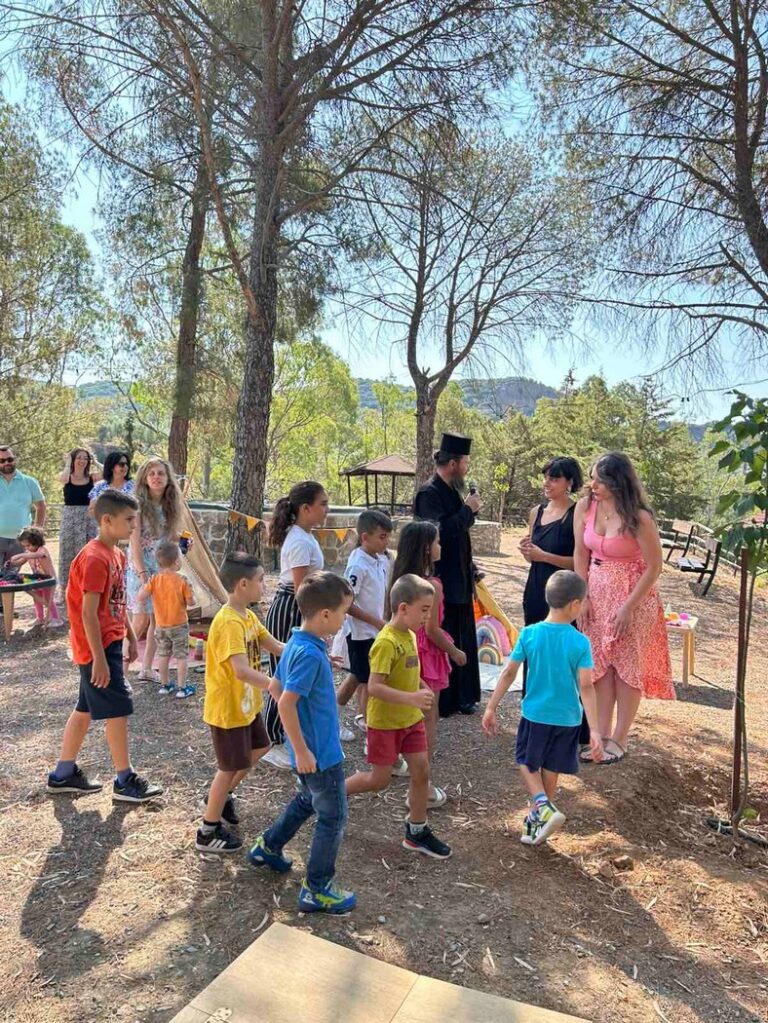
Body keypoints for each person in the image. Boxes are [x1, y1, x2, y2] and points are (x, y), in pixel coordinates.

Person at [248, 572, 358, 915]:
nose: (344, 620)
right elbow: (285, 703)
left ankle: (268, 846)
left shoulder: (299, 643)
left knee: (307, 800)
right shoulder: (309, 654)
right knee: (333, 816)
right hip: (319, 755)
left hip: (311, 753)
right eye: (343, 613)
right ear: (325, 614)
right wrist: (302, 749)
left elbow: (278, 686)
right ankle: (317, 887)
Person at [46, 489, 163, 803]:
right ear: (107, 520)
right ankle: (125, 780)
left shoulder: (117, 554)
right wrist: (98, 658)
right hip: (95, 647)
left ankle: (62, 774)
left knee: (84, 708)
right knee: (118, 710)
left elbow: (115, 603)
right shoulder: (95, 557)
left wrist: (129, 635)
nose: (134, 526)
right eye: (129, 520)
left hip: (109, 642)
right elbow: (87, 613)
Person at [482, 571, 603, 846]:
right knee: (550, 767)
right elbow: (586, 687)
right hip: (568, 719)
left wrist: (491, 707)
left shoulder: (530, 634)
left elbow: (508, 673)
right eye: (585, 601)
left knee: (525, 761)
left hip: (536, 715)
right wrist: (595, 730)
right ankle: (539, 820)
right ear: (574, 604)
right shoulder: (580, 642)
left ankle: (541, 807)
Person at [574, 452, 675, 765]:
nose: (593, 485)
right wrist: (583, 596)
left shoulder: (639, 517)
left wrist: (628, 607)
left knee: (626, 667)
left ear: (618, 483)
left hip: (633, 598)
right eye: (592, 478)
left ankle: (619, 739)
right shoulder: (585, 506)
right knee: (599, 666)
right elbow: (580, 554)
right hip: (596, 594)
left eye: (600, 481)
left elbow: (654, 567)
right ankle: (601, 737)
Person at [346, 574, 452, 860]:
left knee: (422, 770)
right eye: (424, 610)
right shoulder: (386, 642)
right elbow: (375, 687)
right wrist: (412, 698)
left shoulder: (410, 635)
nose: (428, 616)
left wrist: (423, 687)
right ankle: (332, 795)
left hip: (410, 721)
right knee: (378, 780)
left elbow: (410, 673)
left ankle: (417, 831)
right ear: (403, 608)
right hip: (385, 724)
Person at [197, 553, 285, 853]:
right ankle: (207, 832)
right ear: (243, 584)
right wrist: (273, 685)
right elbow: (241, 671)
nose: (264, 585)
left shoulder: (247, 616)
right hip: (228, 711)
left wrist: (309, 650)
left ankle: (220, 798)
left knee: (261, 747)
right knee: (228, 768)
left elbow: (274, 645)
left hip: (246, 707)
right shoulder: (229, 623)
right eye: (261, 580)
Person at [389, 521, 467, 808]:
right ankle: (421, 786)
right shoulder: (431, 586)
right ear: (426, 548)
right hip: (426, 654)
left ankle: (401, 765)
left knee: (409, 716)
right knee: (427, 720)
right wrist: (455, 651)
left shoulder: (400, 579)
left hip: (404, 648)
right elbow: (432, 630)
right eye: (437, 542)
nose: (440, 547)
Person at [413, 432, 481, 717]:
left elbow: (460, 537)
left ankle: (463, 695)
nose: (467, 468)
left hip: (460, 578)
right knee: (445, 636)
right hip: (441, 580)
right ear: (453, 463)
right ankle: (446, 699)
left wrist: (471, 568)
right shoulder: (428, 494)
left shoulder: (452, 490)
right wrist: (467, 510)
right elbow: (438, 532)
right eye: (465, 462)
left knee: (462, 636)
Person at [262, 481, 328, 769]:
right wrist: (310, 624)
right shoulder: (299, 541)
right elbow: (301, 589)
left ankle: (288, 734)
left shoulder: (305, 536)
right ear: (305, 508)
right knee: (283, 675)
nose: (326, 509)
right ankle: (271, 740)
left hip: (298, 607)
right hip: (291, 609)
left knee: (292, 674)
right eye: (323, 504)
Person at [336, 509, 393, 741]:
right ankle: (333, 719)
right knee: (358, 677)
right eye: (382, 536)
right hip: (361, 633)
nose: (386, 541)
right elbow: (347, 603)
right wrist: (376, 622)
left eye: (388, 536)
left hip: (375, 631)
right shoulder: (358, 565)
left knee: (367, 677)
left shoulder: (379, 560)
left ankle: (369, 721)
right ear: (365, 537)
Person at [126, 458, 183, 683]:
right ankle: (120, 672)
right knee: (139, 622)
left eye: (161, 473)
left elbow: (168, 537)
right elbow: (134, 543)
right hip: (140, 567)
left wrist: (182, 543)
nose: (156, 477)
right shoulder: (137, 505)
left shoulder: (171, 505)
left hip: (161, 569)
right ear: (144, 478)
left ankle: (147, 669)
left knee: (157, 622)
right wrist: (142, 574)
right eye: (152, 474)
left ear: (168, 478)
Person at [135, 539, 196, 698]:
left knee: (163, 655)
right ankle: (182, 688)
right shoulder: (183, 580)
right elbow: (191, 602)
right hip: (179, 625)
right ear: (176, 562)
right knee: (181, 656)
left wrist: (145, 585)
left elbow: (140, 596)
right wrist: (190, 596)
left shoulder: (154, 580)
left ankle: (165, 685)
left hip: (161, 626)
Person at [58, 448, 100, 597]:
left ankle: (86, 586)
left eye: (85, 458)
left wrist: (95, 461)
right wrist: (68, 462)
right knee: (67, 552)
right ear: (73, 459)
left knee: (88, 553)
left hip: (88, 518)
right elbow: (63, 479)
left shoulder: (92, 478)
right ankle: (64, 588)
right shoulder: (67, 477)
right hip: (70, 518)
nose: (82, 461)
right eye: (79, 458)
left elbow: (108, 473)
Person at [0, 446, 46, 565]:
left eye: (10, 459)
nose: (6, 463)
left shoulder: (30, 482)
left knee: (11, 575)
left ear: (15, 459)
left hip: (21, 540)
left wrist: (36, 533)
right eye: (2, 460)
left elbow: (41, 506)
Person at [11, 526, 64, 628]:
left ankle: (56, 619)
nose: (27, 548)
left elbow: (37, 555)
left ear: (36, 541)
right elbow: (20, 562)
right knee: (36, 599)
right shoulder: (28, 553)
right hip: (38, 580)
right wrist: (12, 562)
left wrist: (20, 555)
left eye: (28, 545)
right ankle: (40, 618)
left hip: (49, 580)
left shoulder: (42, 550)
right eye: (24, 546)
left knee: (48, 599)